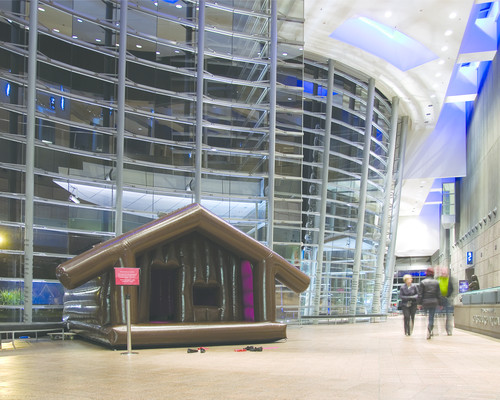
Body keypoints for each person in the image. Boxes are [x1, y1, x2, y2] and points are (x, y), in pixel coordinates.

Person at [418, 267, 442, 340]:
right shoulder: (436, 282)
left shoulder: (423, 282)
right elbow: (439, 294)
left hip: (425, 302)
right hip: (434, 302)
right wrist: (440, 303)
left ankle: (427, 328)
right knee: (431, 317)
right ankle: (430, 329)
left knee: (425, 316)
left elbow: (420, 294)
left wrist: (419, 303)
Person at [437, 266, 454, 336]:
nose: (443, 273)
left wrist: (449, 296)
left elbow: (452, 289)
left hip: (448, 299)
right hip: (440, 300)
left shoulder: (450, 279)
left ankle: (449, 330)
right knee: (441, 316)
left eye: (445, 271)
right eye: (442, 271)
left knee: (449, 316)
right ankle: (442, 328)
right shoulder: (438, 279)